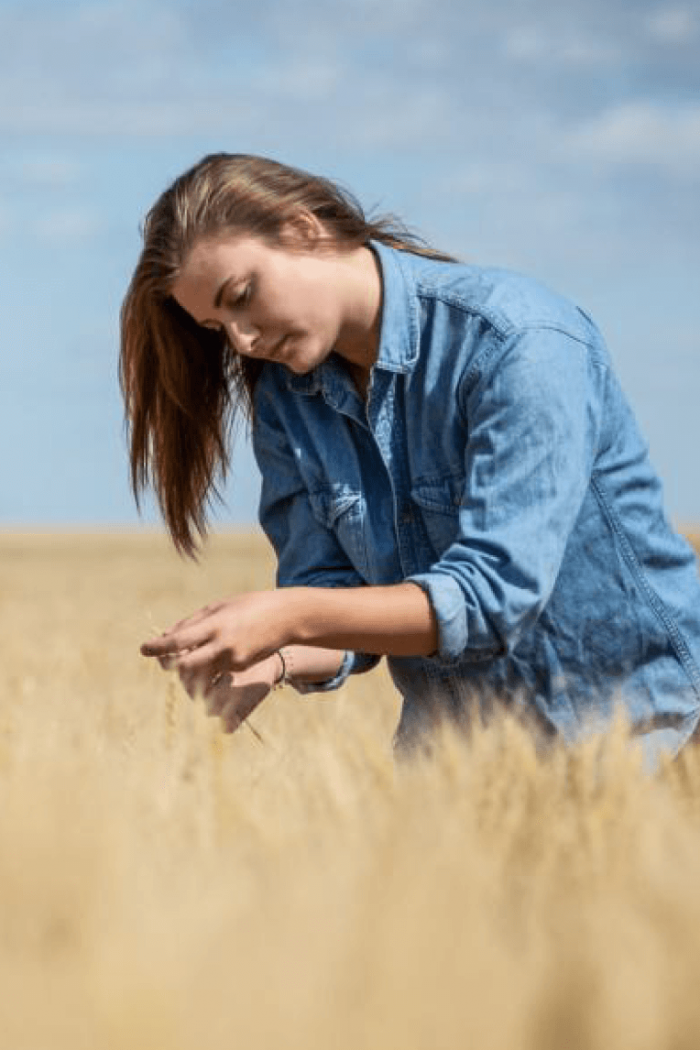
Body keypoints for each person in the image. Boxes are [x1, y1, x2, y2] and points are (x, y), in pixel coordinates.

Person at [120, 152, 700, 766]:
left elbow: (494, 597)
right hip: (456, 775)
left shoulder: (517, 340)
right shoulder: (288, 403)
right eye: (217, 328)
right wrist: (275, 654)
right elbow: (337, 600)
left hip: (651, 748)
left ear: (302, 229)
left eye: (241, 296)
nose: (242, 340)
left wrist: (286, 614)